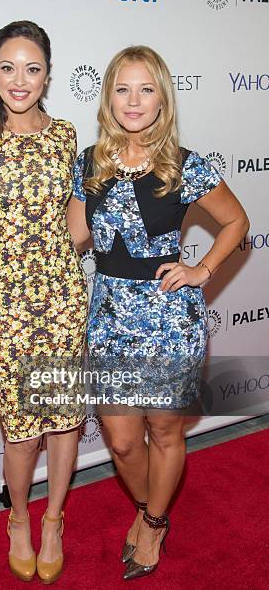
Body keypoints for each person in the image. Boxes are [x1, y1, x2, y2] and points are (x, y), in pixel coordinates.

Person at [66, 45, 249, 580]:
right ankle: (155, 505)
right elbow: (72, 239)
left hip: (169, 318)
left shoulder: (186, 166)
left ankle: (153, 519)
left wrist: (201, 271)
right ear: (108, 97)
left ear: (163, 98)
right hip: (109, 316)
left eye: (146, 89)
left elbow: (237, 223)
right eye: (123, 88)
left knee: (165, 433)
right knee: (123, 442)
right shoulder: (89, 165)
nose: (134, 100)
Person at [0, 20, 87, 584]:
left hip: (62, 300)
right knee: (21, 431)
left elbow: (76, 225)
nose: (19, 80)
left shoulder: (67, 137)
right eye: (8, 67)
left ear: (48, 75)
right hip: (1, 308)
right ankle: (20, 519)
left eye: (32, 68)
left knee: (66, 423)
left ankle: (54, 519)